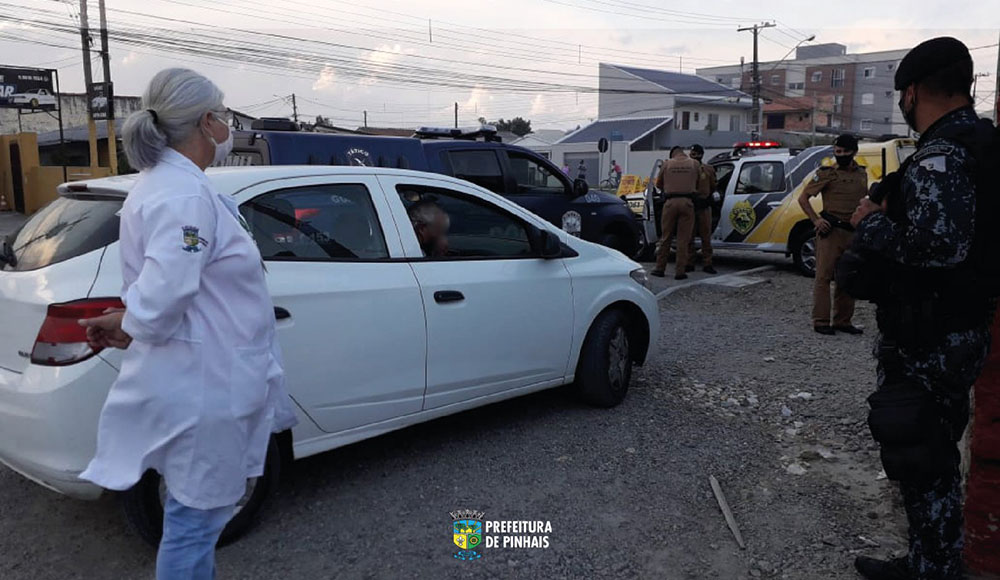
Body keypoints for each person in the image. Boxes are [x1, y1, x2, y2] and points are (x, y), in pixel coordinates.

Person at [76, 68, 298, 580]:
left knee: (195, 514)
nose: (227, 129)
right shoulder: (184, 196)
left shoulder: (173, 187)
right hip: (206, 382)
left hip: (203, 372)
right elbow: (166, 290)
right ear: (207, 121)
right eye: (222, 116)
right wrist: (135, 319)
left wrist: (128, 320)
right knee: (194, 521)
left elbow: (166, 286)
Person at [847, 38, 995, 580]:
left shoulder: (941, 155)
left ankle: (935, 570)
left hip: (932, 335)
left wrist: (872, 221)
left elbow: (940, 245)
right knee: (929, 456)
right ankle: (929, 560)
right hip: (957, 326)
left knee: (921, 457)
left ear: (911, 93)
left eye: (902, 98)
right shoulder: (979, 145)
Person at [798, 133, 868, 335]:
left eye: (846, 151)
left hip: (852, 233)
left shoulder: (861, 174)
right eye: (838, 151)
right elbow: (804, 199)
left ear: (854, 152)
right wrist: (816, 220)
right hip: (831, 232)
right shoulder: (827, 173)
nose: (841, 155)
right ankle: (821, 321)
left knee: (847, 277)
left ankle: (843, 321)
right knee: (823, 277)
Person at [650, 146, 698, 280]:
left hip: (670, 203)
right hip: (687, 203)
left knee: (666, 237)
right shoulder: (694, 164)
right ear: (683, 152)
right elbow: (698, 182)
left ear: (672, 154)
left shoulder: (667, 164)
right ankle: (680, 271)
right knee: (683, 240)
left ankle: (660, 268)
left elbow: (659, 185)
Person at [685, 144, 718, 275]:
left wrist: (709, 198)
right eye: (691, 154)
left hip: (704, 206)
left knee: (706, 237)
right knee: (689, 237)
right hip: (690, 205)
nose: (692, 156)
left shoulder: (708, 169)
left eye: (694, 154)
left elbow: (713, 186)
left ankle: (707, 263)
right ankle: (689, 262)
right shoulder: (686, 169)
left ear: (700, 155)